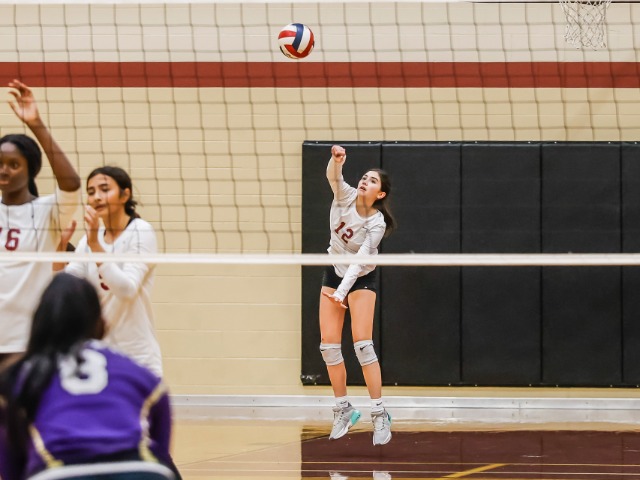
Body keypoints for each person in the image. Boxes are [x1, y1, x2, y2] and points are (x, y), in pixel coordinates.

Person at [0, 273, 179, 480]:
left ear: (39, 321)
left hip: (61, 473)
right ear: (101, 321)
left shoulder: (25, 374)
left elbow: (10, 462)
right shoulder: (134, 370)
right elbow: (161, 444)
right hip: (141, 472)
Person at [0, 79, 81, 366]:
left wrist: (36, 124)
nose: (4, 170)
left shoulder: (47, 211)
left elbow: (71, 183)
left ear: (31, 170)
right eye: (0, 163)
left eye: (14, 164)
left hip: (28, 339)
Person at [320, 144, 396, 446]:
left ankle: (379, 413)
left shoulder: (376, 223)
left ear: (380, 193)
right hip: (334, 269)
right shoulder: (345, 196)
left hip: (361, 277)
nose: (365, 181)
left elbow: (358, 262)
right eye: (364, 177)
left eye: (372, 180)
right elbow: (333, 177)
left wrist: (342, 293)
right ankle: (343, 409)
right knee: (328, 347)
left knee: (363, 346)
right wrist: (336, 161)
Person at [59, 166, 163, 377]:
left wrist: (96, 246)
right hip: (97, 357)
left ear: (125, 195)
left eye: (104, 189)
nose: (96, 197)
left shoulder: (140, 232)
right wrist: (59, 247)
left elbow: (126, 290)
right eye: (91, 192)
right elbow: (65, 288)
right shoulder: (88, 241)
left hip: (137, 356)